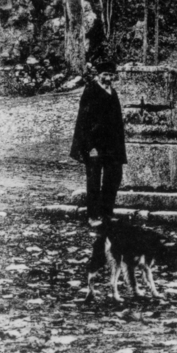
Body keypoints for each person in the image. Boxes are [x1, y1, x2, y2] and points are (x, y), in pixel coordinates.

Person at [70, 60, 127, 227]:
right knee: (94, 180)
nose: (108, 78)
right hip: (95, 144)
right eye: (105, 75)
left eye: (111, 75)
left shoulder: (113, 92)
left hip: (112, 145)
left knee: (113, 178)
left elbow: (117, 121)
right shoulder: (91, 91)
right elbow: (84, 121)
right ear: (98, 75)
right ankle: (93, 215)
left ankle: (107, 213)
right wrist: (90, 146)